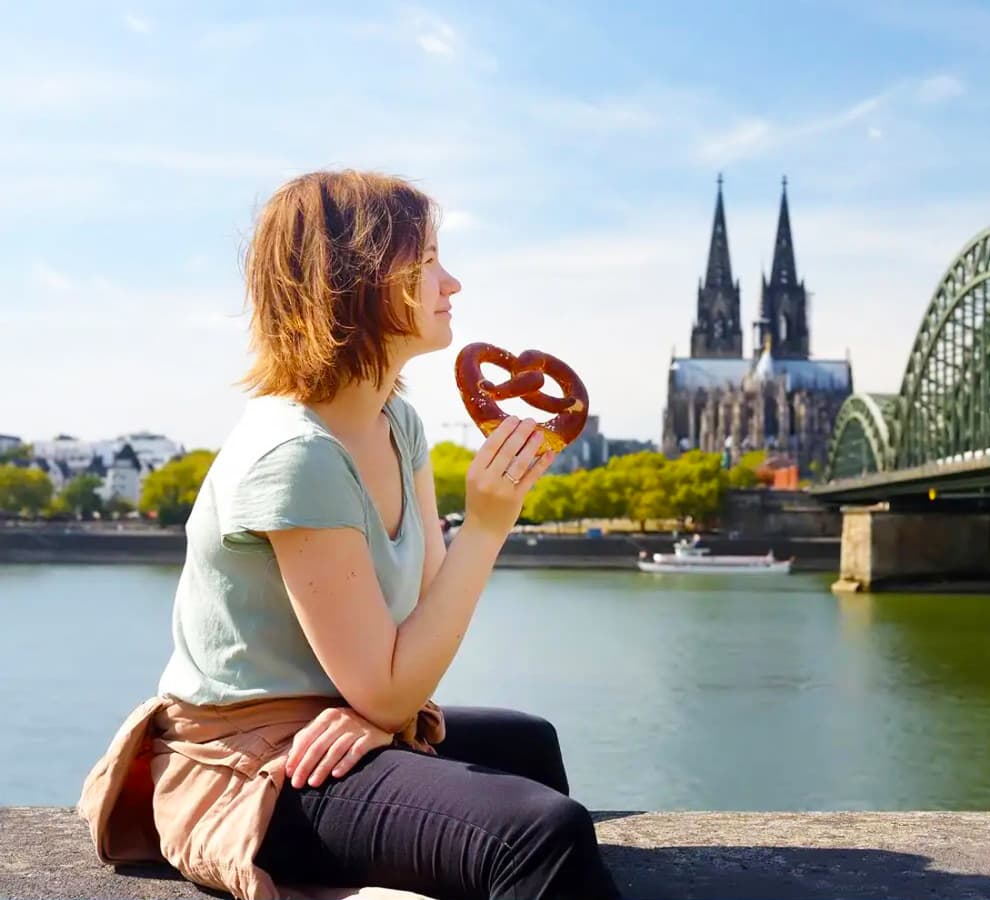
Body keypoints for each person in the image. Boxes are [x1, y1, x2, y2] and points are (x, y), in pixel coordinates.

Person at [76, 170, 621, 900]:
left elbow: (416, 642)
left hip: (331, 727)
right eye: (428, 259)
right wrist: (488, 526)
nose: (451, 282)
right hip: (257, 769)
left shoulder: (398, 423)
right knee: (537, 832)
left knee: (528, 745)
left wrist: (378, 719)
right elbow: (393, 685)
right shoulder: (296, 453)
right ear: (358, 279)